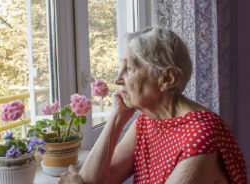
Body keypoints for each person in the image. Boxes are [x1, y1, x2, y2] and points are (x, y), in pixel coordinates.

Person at [58, 26, 247, 184]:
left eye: (130, 68)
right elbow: (94, 181)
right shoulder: (147, 121)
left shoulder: (202, 136)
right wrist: (117, 117)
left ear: (167, 78)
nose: (118, 79)